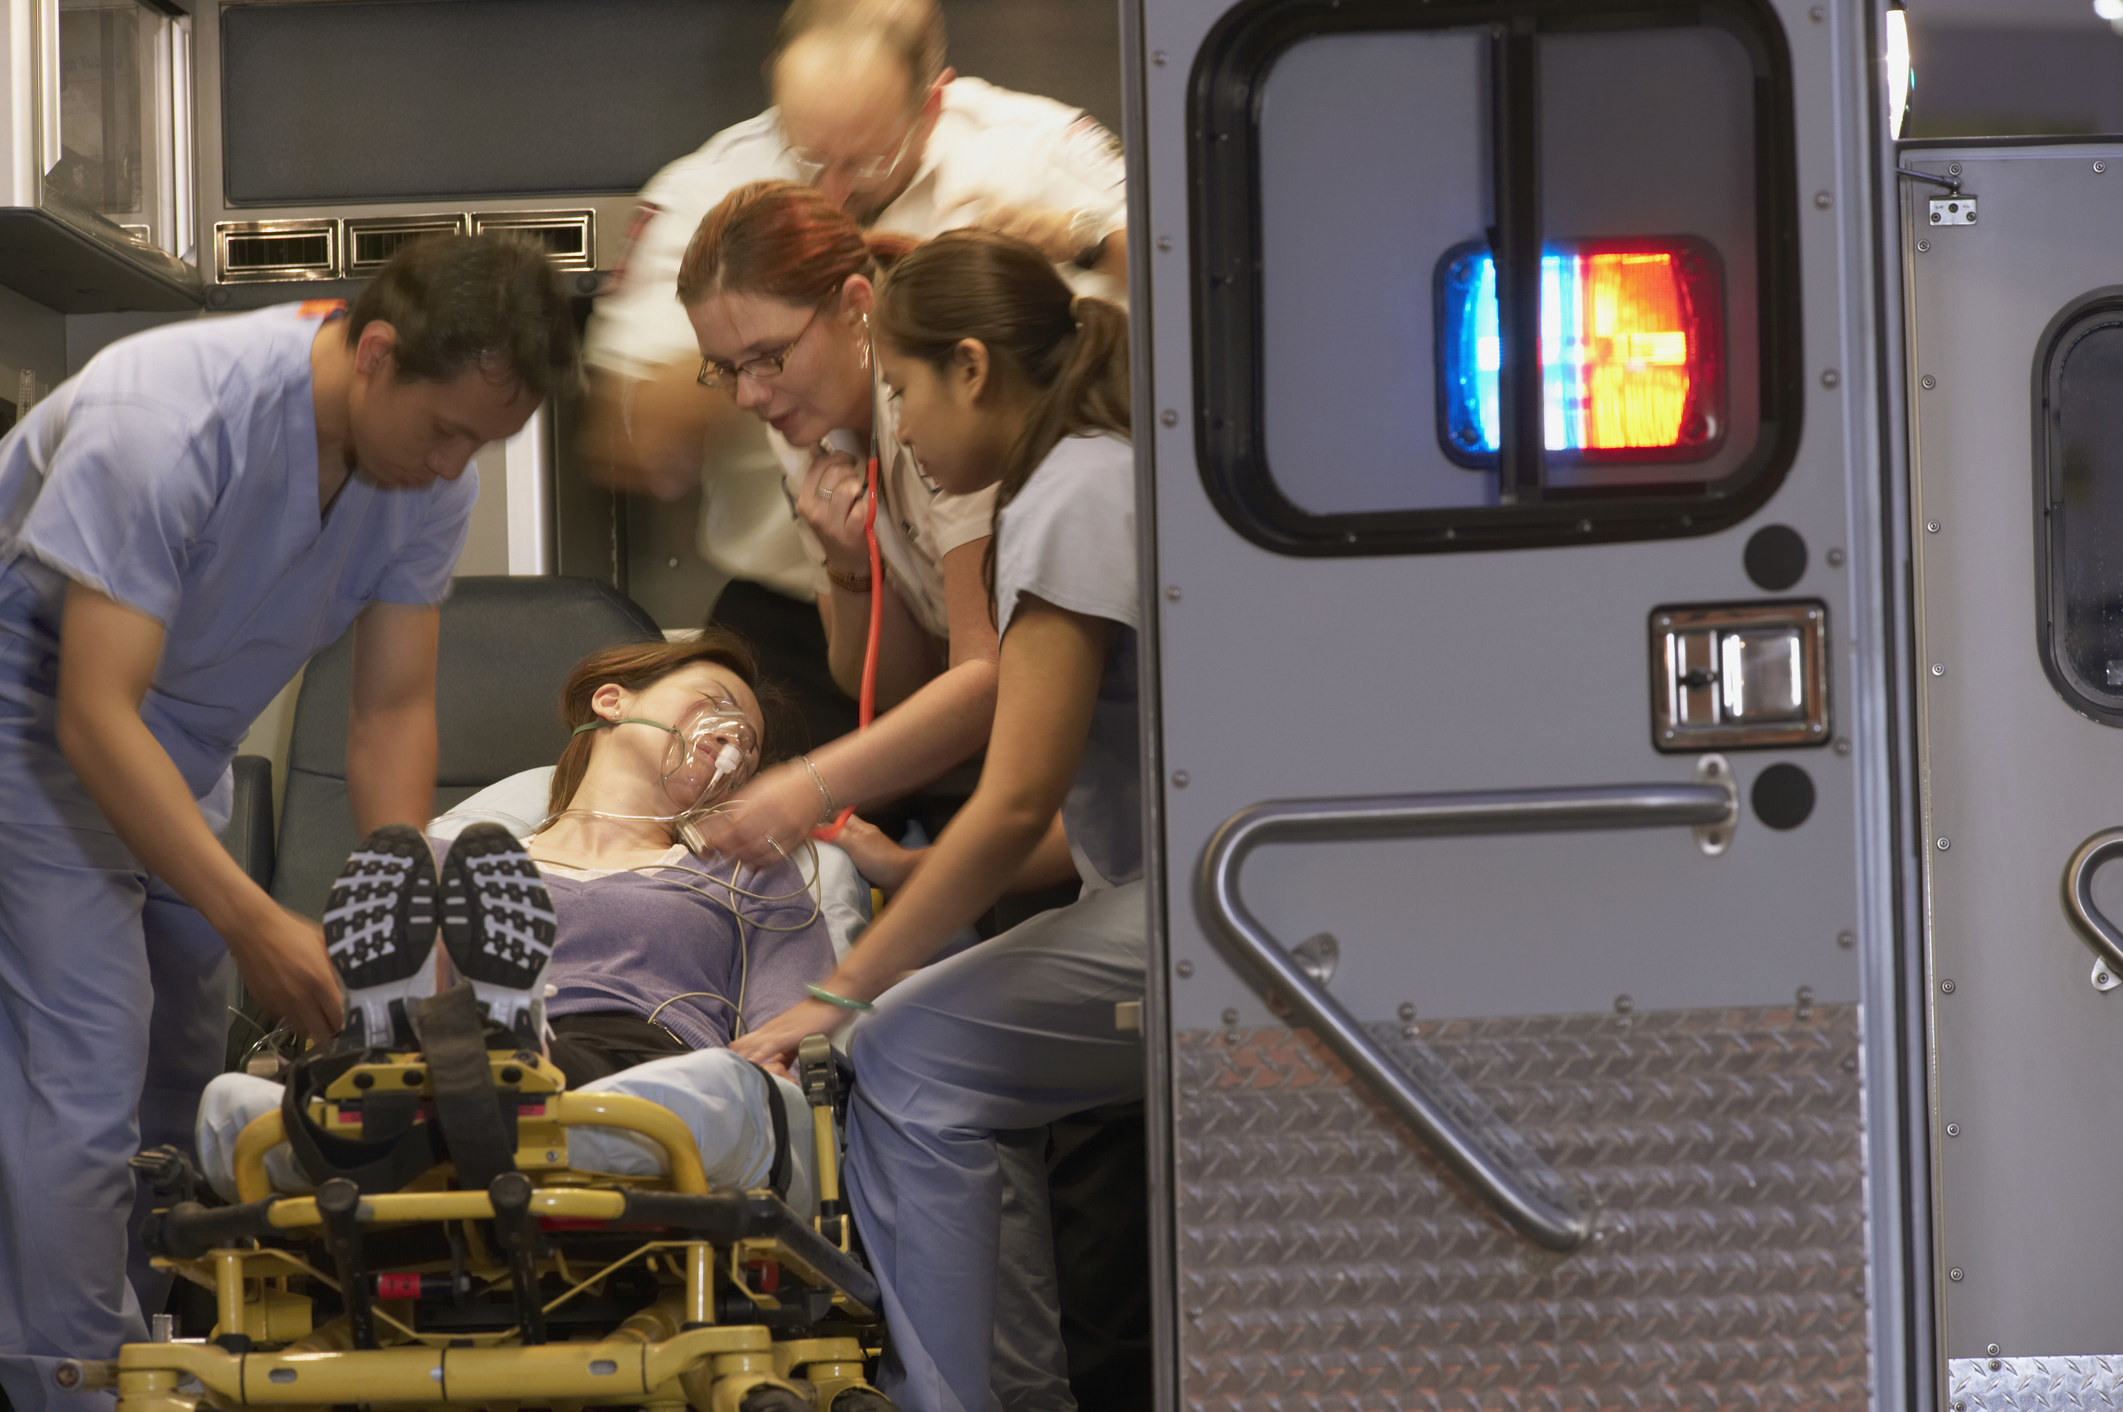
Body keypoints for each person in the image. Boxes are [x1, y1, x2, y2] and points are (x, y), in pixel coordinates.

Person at [0, 235, 578, 1412]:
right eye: (448, 430)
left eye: (482, 442)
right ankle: (69, 1382)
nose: (456, 465)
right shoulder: (162, 416)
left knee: (182, 1067)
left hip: (179, 742)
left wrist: (405, 928)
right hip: (34, 714)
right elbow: (94, 718)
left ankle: (158, 1345)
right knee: (90, 1062)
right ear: (374, 354)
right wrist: (257, 915)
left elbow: (391, 711)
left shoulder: (423, 476)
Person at [729, 230, 1141, 1412]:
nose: (898, 427)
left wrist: (840, 989)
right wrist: (912, 868)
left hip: (1213, 931)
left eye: (903, 391)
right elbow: (1115, 809)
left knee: (903, 1054)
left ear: (971, 367)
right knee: (926, 1047)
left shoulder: (1067, 495)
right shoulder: (1098, 475)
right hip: (1195, 900)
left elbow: (1010, 801)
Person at [580, 0, 1126, 738]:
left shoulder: (1029, 153)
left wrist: (1070, 242)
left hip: (1015, 578)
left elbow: (1198, 275)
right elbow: (629, 443)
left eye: (866, 162)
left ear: (931, 105)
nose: (832, 191)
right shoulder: (708, 199)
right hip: (816, 597)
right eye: (809, 158)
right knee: (687, 764)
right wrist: (778, 361)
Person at [197, 632, 834, 1215]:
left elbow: (785, 1047)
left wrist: (761, 1069)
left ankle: (453, 1084)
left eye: (748, 746)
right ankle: (450, 1057)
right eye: (714, 704)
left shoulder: (750, 870)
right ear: (611, 700)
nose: (732, 741)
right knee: (231, 1104)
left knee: (718, 1086)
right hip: (444, 1048)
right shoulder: (453, 859)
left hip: (635, 1057)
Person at [676, 182, 1080, 892]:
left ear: (855, 305)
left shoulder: (941, 407)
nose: (748, 396)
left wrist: (806, 787)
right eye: (727, 369)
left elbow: (985, 678)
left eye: (767, 357)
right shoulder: (802, 424)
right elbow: (891, 686)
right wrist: (846, 564)